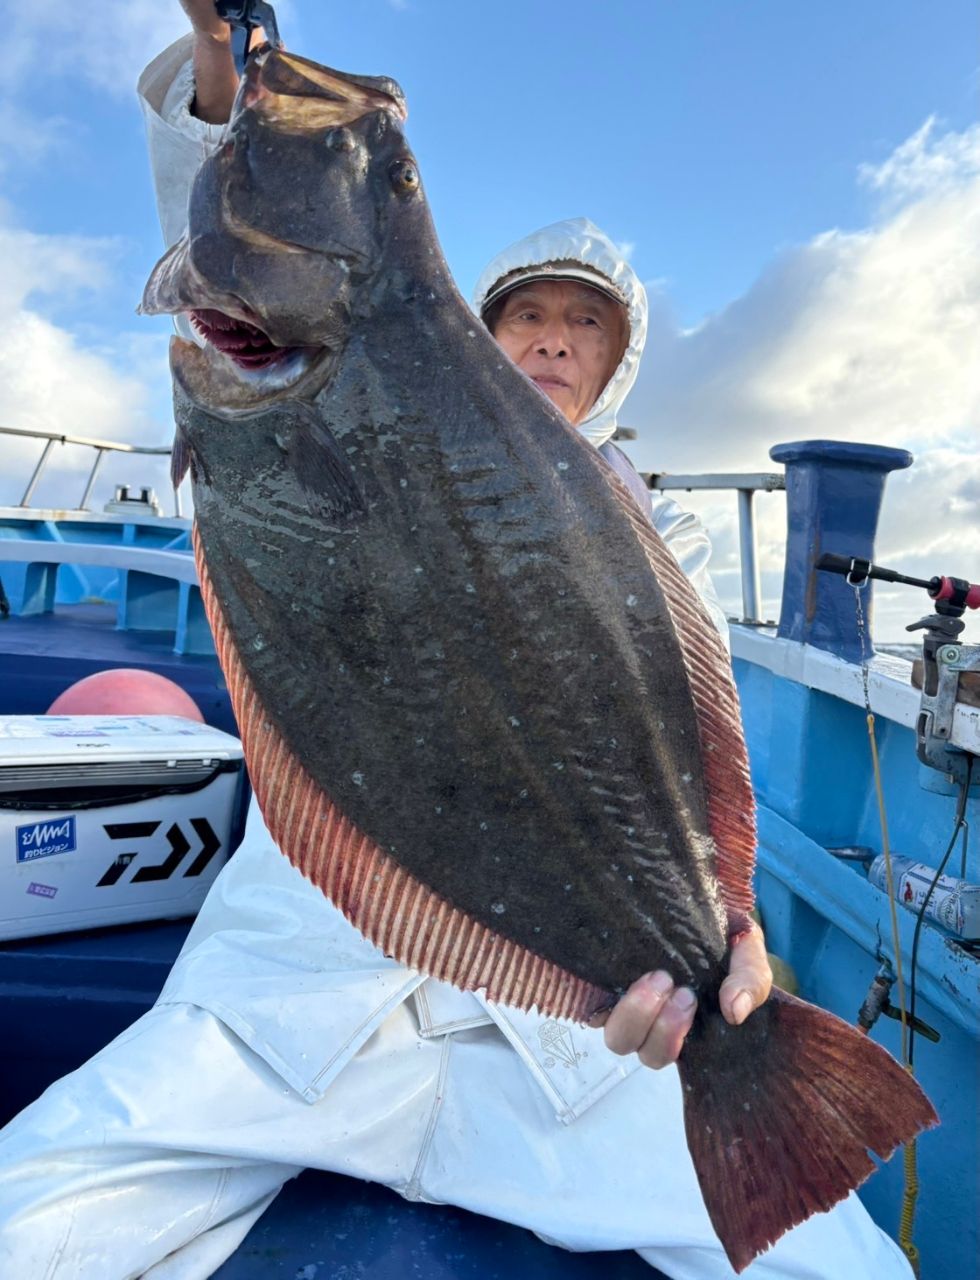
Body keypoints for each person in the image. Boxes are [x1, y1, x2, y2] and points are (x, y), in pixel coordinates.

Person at [0, 9, 915, 1280]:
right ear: (472, 322)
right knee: (27, 1216)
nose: (548, 336)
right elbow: (240, 256)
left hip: (569, 1049)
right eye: (526, 310)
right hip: (294, 998)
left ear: (615, 361)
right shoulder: (324, 389)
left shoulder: (661, 544)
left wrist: (729, 943)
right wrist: (225, 63)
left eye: (580, 323)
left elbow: (688, 769)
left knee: (847, 1270)